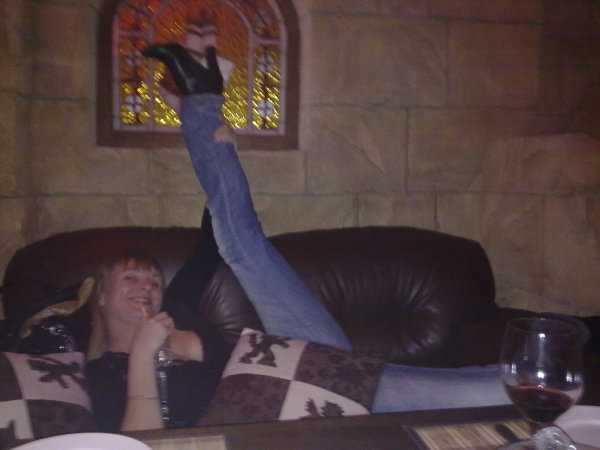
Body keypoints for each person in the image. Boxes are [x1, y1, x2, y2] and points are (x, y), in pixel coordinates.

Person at [85, 41, 512, 433]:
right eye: (130, 278)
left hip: (308, 374)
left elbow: (211, 245)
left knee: (240, 246)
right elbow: (137, 442)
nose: (147, 288)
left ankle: (202, 103)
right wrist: (142, 357)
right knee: (483, 392)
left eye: (153, 280)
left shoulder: (176, 310)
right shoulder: (99, 371)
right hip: (268, 414)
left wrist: (224, 157)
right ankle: (202, 103)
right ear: (99, 295)